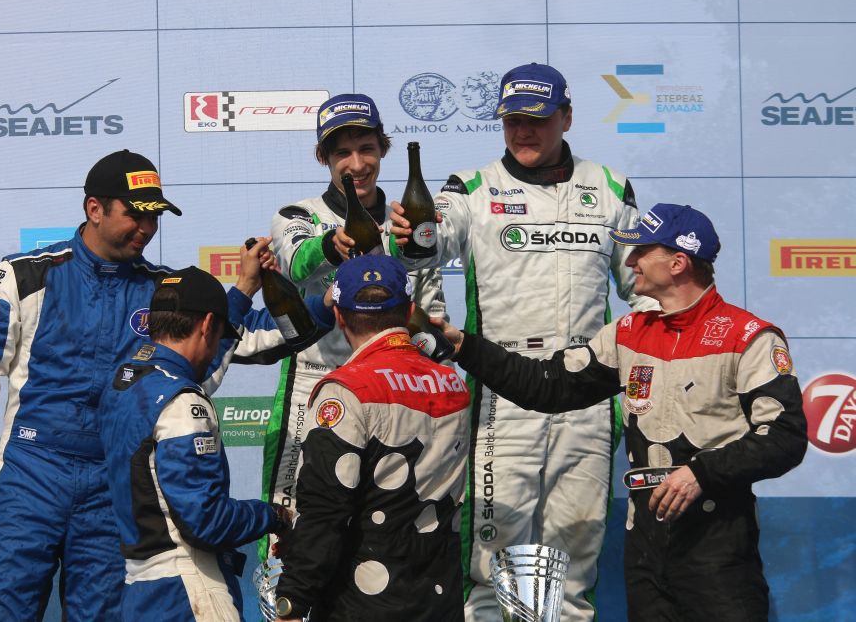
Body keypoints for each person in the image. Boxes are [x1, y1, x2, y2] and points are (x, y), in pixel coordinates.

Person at [0, 150, 333, 620]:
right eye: (136, 215)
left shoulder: (164, 291)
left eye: (155, 217)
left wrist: (332, 301)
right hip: (31, 474)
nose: (147, 228)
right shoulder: (26, 274)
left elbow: (246, 334)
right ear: (94, 209)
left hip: (113, 487)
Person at [441, 204, 807, 621]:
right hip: (646, 546)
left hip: (717, 542)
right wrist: (464, 347)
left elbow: (785, 437)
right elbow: (548, 386)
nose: (630, 261)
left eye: (642, 251)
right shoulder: (629, 332)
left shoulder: (749, 337)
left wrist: (701, 473)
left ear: (678, 262)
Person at [390, 62, 656, 621]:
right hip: (502, 392)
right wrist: (412, 234)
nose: (523, 131)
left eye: (536, 119)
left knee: (573, 570)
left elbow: (645, 288)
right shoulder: (470, 187)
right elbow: (428, 244)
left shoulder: (609, 187)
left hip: (587, 392)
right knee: (493, 570)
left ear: (567, 118)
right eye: (512, 120)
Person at [262, 93, 446, 556]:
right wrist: (333, 245)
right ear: (323, 157)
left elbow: (432, 315)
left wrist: (431, 342)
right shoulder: (298, 215)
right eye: (342, 152)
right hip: (317, 384)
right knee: (297, 527)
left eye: (367, 149)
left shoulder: (406, 222)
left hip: (395, 392)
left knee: (388, 531)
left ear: (383, 149)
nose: (357, 164)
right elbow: (296, 263)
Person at [273, 255, 470, 622]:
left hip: (360, 605)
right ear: (409, 311)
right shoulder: (453, 384)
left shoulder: (346, 389)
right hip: (439, 603)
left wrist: (292, 600)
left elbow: (324, 510)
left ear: (338, 316)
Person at [99, 265, 294, 621]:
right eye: (220, 336)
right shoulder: (183, 402)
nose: (217, 348)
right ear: (207, 325)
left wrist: (242, 292)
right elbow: (206, 521)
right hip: (188, 589)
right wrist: (272, 516)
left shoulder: (124, 382)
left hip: (139, 590)